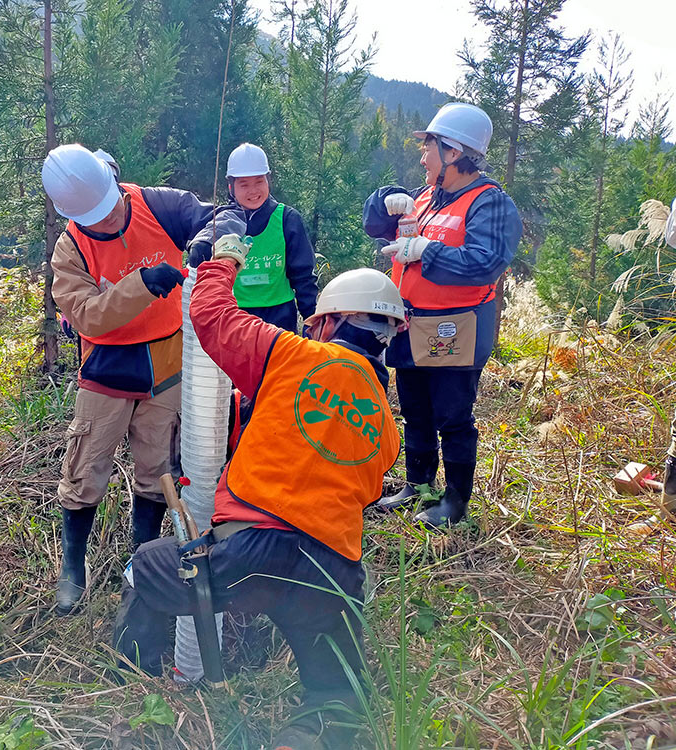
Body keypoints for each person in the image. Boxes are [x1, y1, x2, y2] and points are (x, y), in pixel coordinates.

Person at [113, 234, 403, 750]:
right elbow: (361, 492)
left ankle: (135, 689)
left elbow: (210, 315)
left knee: (146, 567)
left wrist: (224, 258)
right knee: (335, 697)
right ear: (389, 337)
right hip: (333, 570)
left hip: (253, 549)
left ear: (329, 322)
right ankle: (307, 735)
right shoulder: (387, 430)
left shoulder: (293, 354)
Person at [42, 143, 215, 616]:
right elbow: (88, 316)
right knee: (85, 468)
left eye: (106, 211)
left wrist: (205, 242)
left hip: (165, 364)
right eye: (89, 219)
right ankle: (72, 569)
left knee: (157, 469)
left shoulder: (160, 205)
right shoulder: (70, 247)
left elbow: (215, 219)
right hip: (106, 370)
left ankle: (141, 562)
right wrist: (142, 284)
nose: (101, 224)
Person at [363, 102, 523, 529]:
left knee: (452, 415)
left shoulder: (490, 203)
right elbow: (374, 225)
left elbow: (485, 262)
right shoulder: (425, 198)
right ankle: (418, 485)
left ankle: (455, 501)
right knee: (414, 409)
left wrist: (424, 252)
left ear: (453, 152)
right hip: (411, 324)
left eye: (429, 147)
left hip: (457, 328)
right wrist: (384, 202)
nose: (422, 156)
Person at [215, 142, 318, 333]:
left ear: (268, 181)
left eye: (259, 182)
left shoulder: (287, 219)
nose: (253, 191)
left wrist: (314, 324)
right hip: (235, 317)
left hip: (280, 319)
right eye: (244, 184)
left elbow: (304, 278)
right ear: (231, 187)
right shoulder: (220, 222)